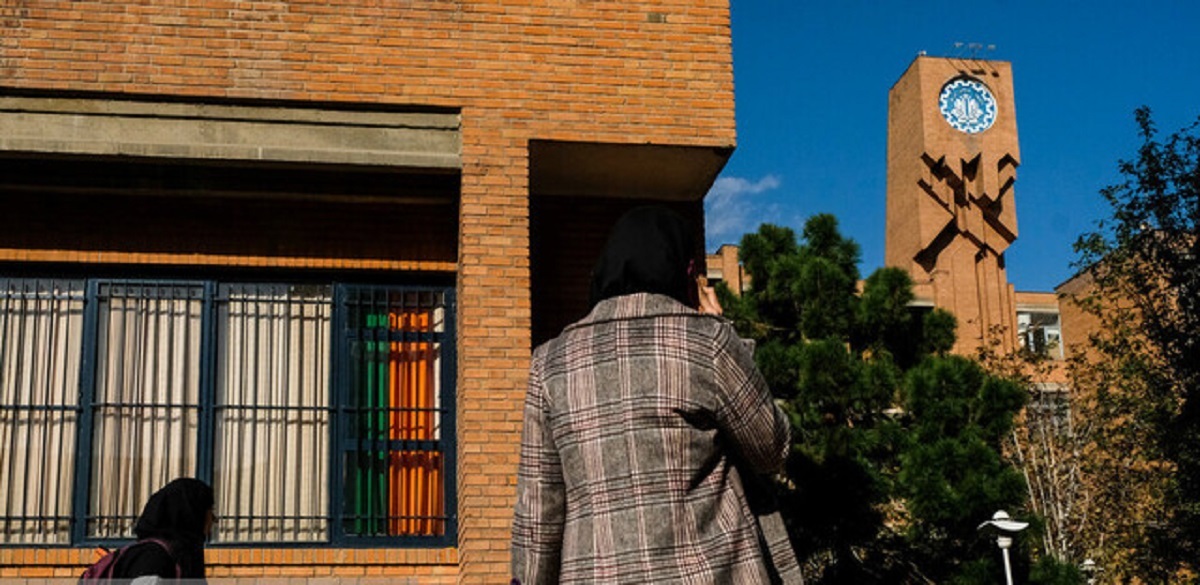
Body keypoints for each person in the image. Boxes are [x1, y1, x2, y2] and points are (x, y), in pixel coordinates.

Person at [512, 206, 801, 584]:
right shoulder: (708, 342)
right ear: (684, 273)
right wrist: (725, 333)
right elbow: (771, 449)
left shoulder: (550, 363)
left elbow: (538, 513)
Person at [111, 477, 214, 583]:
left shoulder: (186, 555)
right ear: (192, 513)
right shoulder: (153, 559)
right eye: (210, 510)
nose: (213, 519)